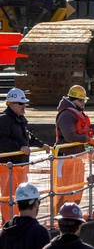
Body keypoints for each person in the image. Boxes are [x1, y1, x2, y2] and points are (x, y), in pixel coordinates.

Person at [0, 88, 48, 220]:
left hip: (20, 165)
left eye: (24, 103)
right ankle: (7, 221)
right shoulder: (4, 120)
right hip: (8, 166)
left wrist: (41, 144)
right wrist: (19, 147)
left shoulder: (19, 119)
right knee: (8, 195)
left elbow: (27, 136)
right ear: (11, 104)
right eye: (21, 104)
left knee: (19, 195)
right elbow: (1, 140)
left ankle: (17, 218)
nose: (24, 106)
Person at [54, 85, 94, 211]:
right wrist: (88, 140)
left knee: (76, 189)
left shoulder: (77, 112)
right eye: (81, 100)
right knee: (64, 190)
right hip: (65, 158)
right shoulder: (66, 115)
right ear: (73, 101)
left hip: (77, 157)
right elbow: (69, 136)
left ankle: (73, 212)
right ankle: (59, 216)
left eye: (84, 100)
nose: (84, 103)